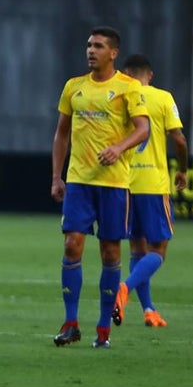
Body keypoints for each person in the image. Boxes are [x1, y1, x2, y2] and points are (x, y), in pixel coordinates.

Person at [51, 26, 150, 349]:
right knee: (71, 246)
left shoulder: (128, 87)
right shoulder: (73, 87)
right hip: (79, 181)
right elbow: (61, 133)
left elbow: (143, 129)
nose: (91, 50)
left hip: (113, 184)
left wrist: (119, 148)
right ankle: (70, 323)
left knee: (110, 252)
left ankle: (103, 329)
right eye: (89, 45)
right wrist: (57, 176)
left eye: (98, 46)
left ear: (113, 53)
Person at [111, 54, 189, 328]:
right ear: (150, 75)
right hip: (153, 184)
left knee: (136, 249)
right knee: (158, 250)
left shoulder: (121, 98)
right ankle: (125, 288)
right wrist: (183, 169)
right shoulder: (163, 98)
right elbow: (178, 139)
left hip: (125, 183)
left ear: (126, 73)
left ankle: (148, 310)